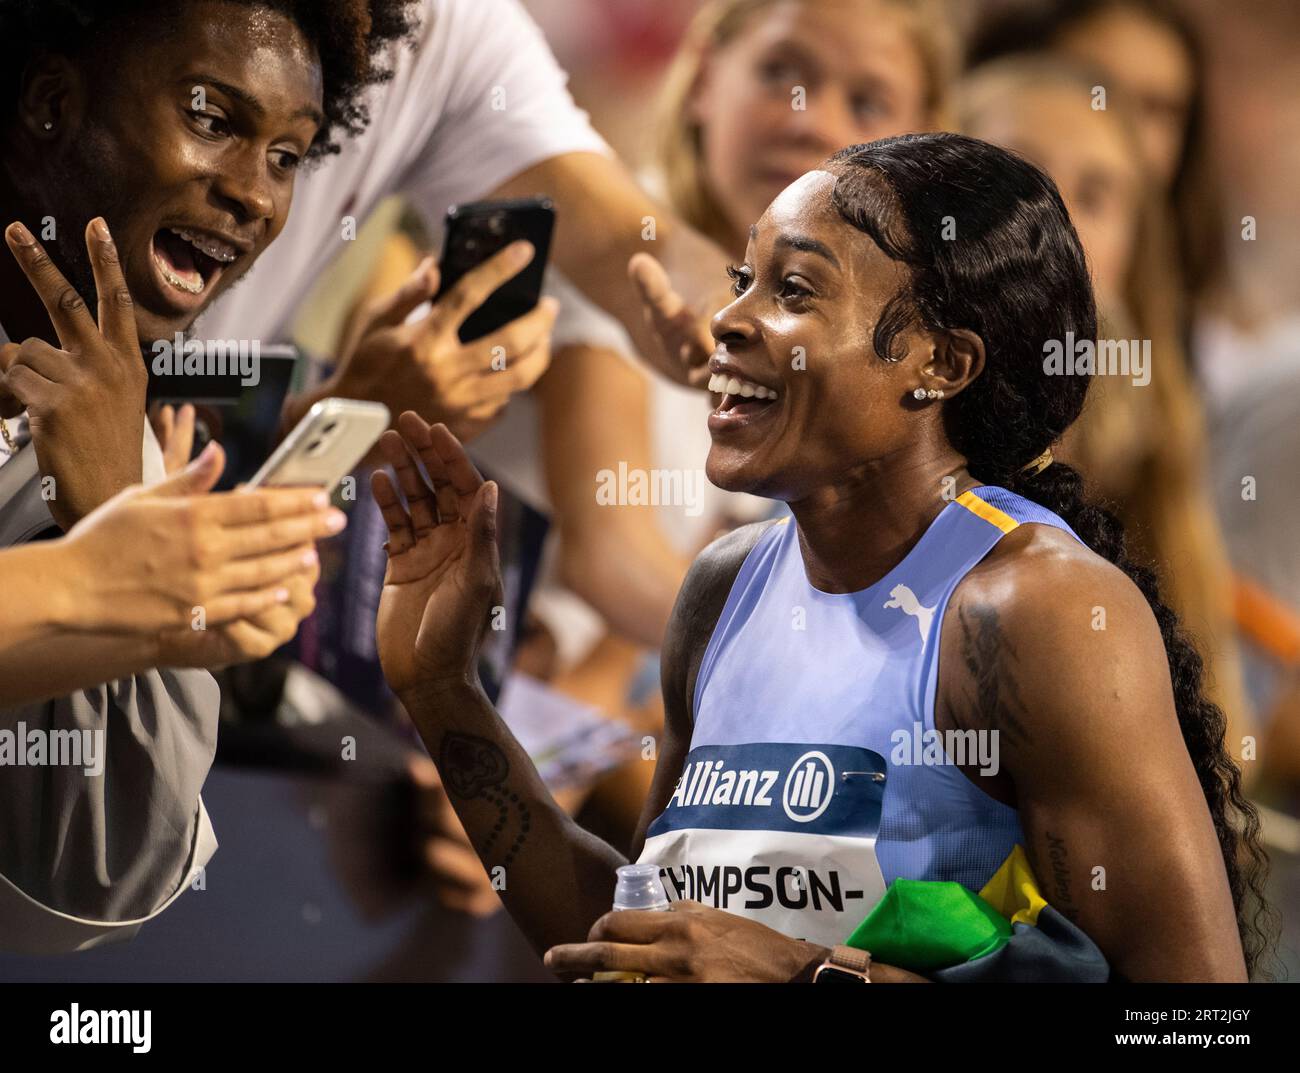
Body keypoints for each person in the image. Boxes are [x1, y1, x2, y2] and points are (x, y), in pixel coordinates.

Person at [371, 134, 1270, 982]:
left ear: (941, 363)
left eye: (794, 290)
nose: (726, 320)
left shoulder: (1037, 611)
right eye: (741, 279)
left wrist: (803, 973)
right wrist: (444, 688)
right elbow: (640, 933)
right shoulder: (723, 588)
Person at [0, 0, 414, 952]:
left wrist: (112, 528)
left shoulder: (128, 447)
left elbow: (96, 884)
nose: (256, 198)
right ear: (51, 100)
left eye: (287, 156)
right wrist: (108, 572)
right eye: (211, 117)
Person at [956, 55, 1254, 767]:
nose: (1054, 224)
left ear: (1132, 249)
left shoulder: (1154, 466)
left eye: (1095, 196)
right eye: (1019, 182)